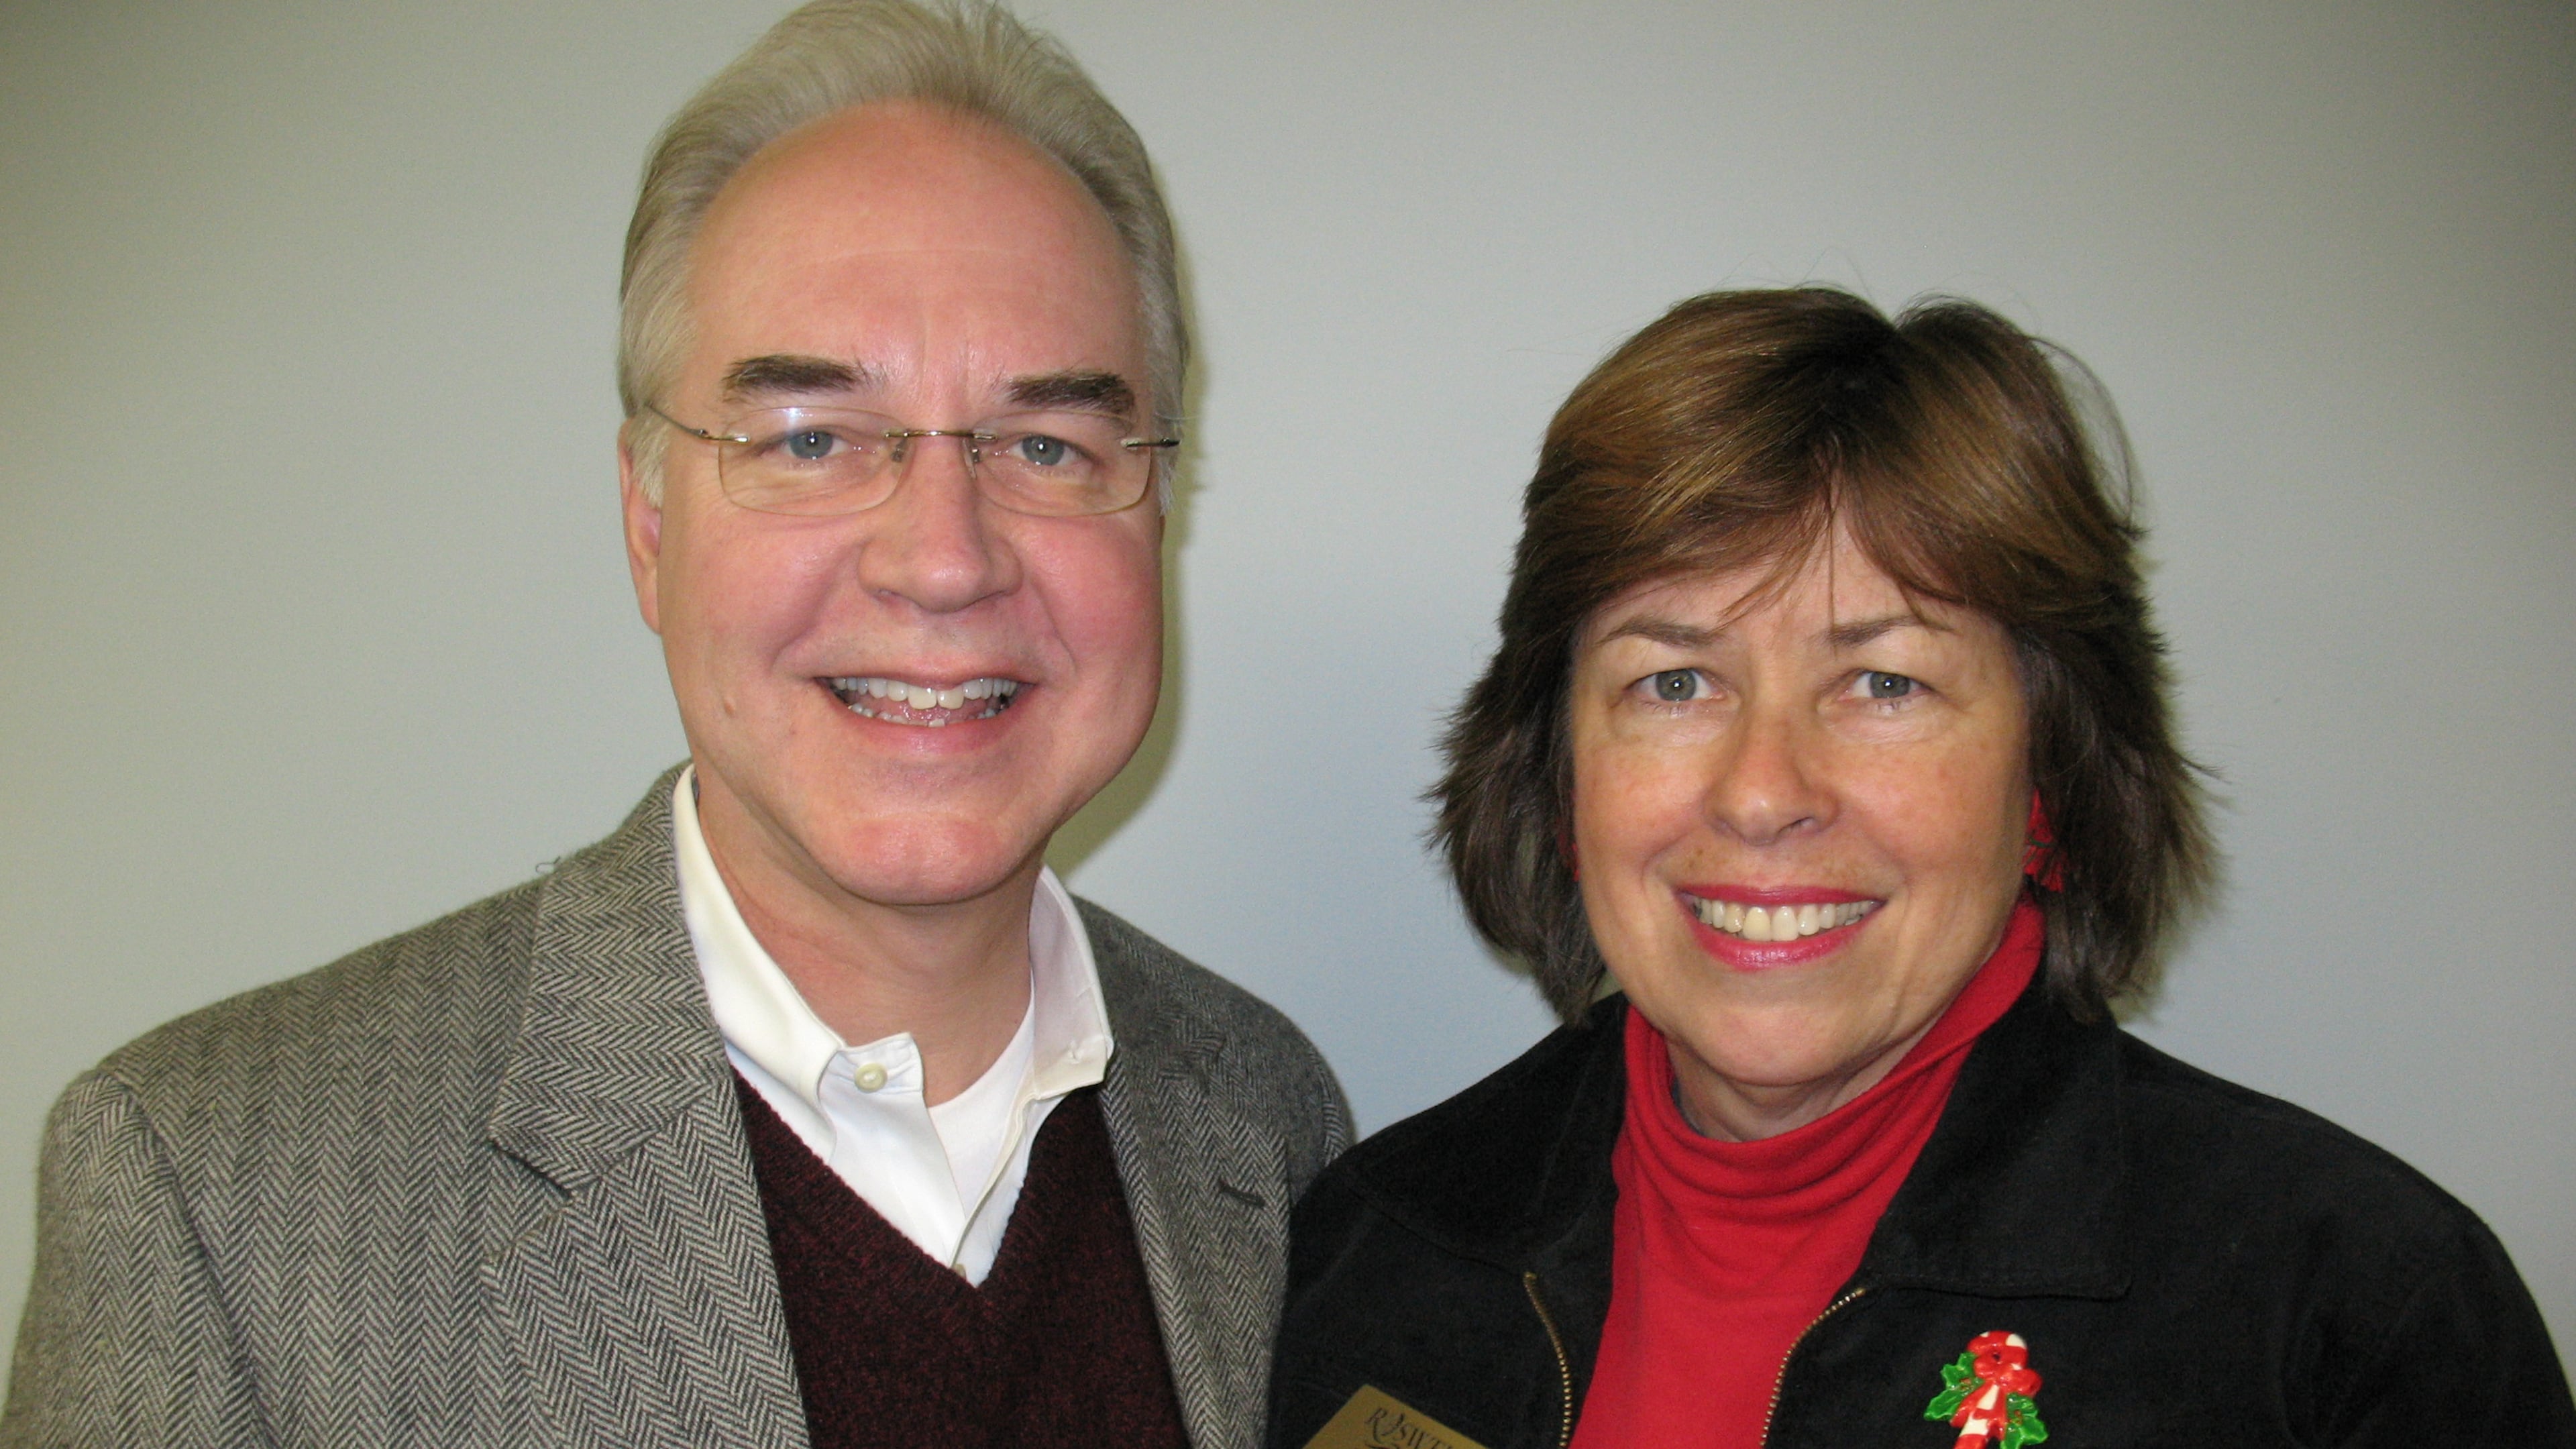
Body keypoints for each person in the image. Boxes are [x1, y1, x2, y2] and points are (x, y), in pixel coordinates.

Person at [1, 3, 1348, 1447]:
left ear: (1151, 508)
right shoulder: (214, 1196)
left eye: (1045, 445)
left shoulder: (1272, 1126)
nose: (944, 559)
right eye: (813, 441)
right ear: (651, 527)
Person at [1267, 288, 2572, 1449]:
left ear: (2047, 781)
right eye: (1673, 681)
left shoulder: (2355, 1324)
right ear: (1558, 777)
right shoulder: (1376, 1241)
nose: (1765, 791)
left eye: (1884, 681)